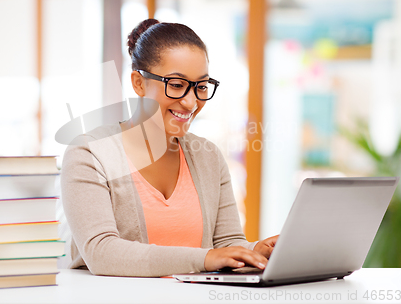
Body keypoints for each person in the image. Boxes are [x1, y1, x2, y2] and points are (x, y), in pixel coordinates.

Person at [61, 19, 278, 277]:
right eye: (176, 85)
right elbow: (101, 253)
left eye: (201, 86)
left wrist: (255, 251)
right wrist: (206, 258)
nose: (191, 102)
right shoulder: (90, 154)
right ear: (138, 83)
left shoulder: (208, 157)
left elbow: (226, 244)